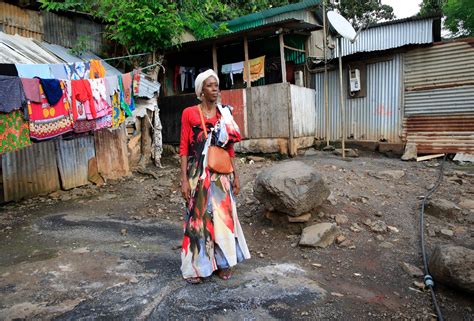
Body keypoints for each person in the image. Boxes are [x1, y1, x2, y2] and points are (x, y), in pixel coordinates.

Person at [179, 69, 250, 284]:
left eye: (216, 84)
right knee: (198, 220)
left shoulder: (224, 113)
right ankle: (196, 267)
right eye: (210, 85)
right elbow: (183, 147)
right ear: (201, 91)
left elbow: (229, 148)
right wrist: (183, 179)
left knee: (223, 219)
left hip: (221, 175)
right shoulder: (189, 113)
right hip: (197, 174)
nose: (215, 88)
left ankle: (223, 263)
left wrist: (235, 175)